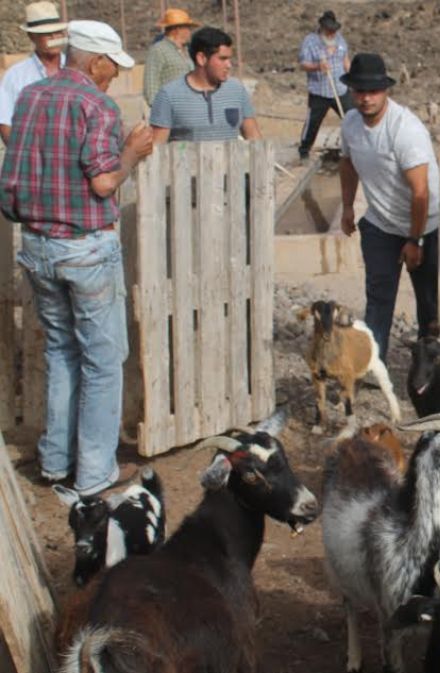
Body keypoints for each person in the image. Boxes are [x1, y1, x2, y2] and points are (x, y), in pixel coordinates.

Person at [0, 20, 154, 496]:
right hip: (84, 248)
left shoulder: (30, 97)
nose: (112, 76)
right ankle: (94, 473)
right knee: (104, 361)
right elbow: (104, 182)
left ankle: (55, 461)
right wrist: (131, 153)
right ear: (96, 61)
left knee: (62, 351)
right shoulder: (95, 104)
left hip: (38, 246)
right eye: (111, 67)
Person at [338, 53, 439, 362]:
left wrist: (414, 239)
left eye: (373, 91)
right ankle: (374, 364)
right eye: (360, 91)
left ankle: (430, 364)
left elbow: (420, 192)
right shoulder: (351, 124)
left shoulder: (405, 130)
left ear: (385, 91)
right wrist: (347, 207)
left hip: (425, 224)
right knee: (379, 295)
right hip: (381, 223)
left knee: (429, 300)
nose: (366, 98)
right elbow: (347, 163)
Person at [149, 26, 260, 143]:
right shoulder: (168, 95)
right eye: (222, 59)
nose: (229, 65)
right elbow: (157, 150)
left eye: (229, 59)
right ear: (201, 58)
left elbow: (254, 140)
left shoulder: (237, 91)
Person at [0, 1, 67, 145]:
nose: (54, 38)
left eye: (57, 32)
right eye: (46, 34)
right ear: (32, 37)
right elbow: (5, 124)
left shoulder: (74, 70)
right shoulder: (16, 76)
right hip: (31, 155)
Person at [297, 10, 352, 160]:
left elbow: (345, 60)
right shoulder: (310, 41)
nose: (331, 34)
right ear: (322, 28)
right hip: (319, 91)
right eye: (329, 31)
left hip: (340, 89)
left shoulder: (340, 40)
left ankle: (359, 148)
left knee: (353, 119)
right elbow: (303, 64)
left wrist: (352, 78)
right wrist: (317, 67)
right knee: (312, 124)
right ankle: (304, 150)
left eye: (333, 31)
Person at [142, 8, 200, 106]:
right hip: (171, 112)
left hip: (191, 108)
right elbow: (151, 87)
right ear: (177, 30)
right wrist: (162, 110)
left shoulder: (187, 51)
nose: (190, 32)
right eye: (187, 28)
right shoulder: (158, 50)